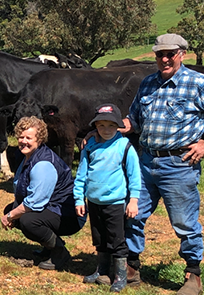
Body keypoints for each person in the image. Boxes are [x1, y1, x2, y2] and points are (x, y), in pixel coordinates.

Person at [121, 33, 204, 295]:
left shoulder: (197, 83)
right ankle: (131, 267)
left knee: (184, 222)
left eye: (170, 54)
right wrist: (108, 126)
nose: (164, 59)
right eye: (159, 54)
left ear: (181, 54)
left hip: (179, 164)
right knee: (131, 213)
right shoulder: (147, 84)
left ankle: (193, 275)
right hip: (145, 161)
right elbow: (134, 120)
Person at [1, 116, 86, 270]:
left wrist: (11, 216)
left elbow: (35, 202)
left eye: (29, 137)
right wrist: (12, 211)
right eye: (21, 137)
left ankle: (59, 251)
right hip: (52, 208)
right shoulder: (27, 156)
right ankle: (48, 246)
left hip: (69, 214)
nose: (23, 141)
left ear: (39, 139)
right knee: (12, 209)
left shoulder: (43, 164)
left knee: (28, 220)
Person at [74, 103, 141, 293]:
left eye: (111, 125)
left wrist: (133, 200)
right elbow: (81, 174)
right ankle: (101, 270)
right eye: (101, 125)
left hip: (115, 203)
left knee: (117, 240)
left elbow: (135, 176)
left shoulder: (124, 147)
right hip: (94, 202)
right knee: (99, 238)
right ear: (95, 126)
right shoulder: (90, 146)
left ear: (119, 126)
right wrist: (79, 198)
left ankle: (120, 276)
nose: (106, 130)